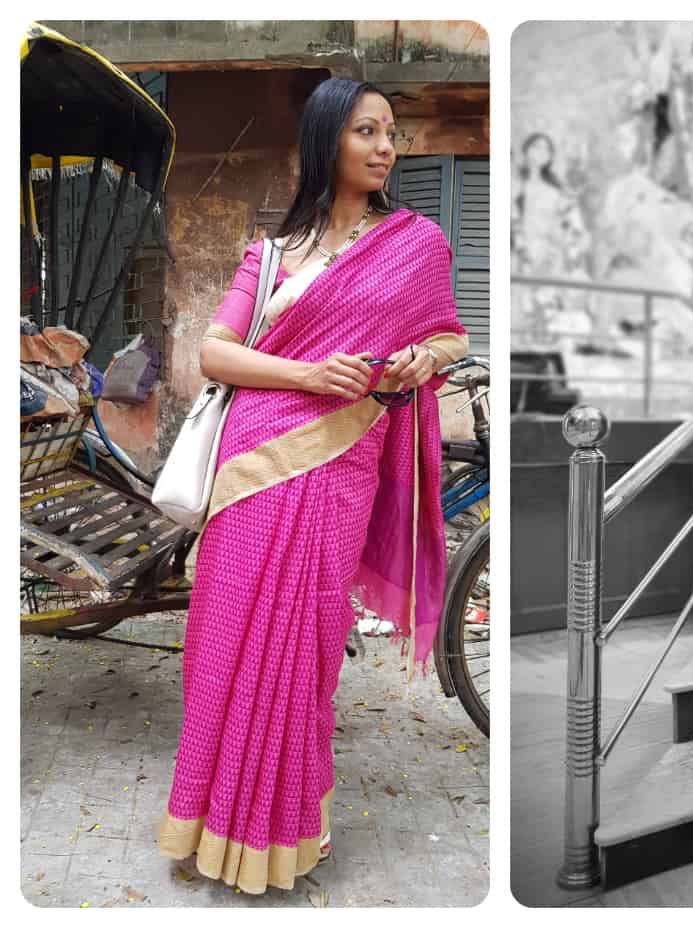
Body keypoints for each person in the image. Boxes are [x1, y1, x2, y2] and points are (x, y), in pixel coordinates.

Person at [155, 78, 468, 894]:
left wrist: (416, 361)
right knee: (224, 641)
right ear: (327, 140)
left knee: (307, 642)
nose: (386, 147)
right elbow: (216, 356)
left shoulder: (415, 243)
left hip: (338, 468)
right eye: (367, 131)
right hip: (251, 471)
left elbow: (448, 336)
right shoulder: (269, 257)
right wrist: (307, 372)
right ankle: (210, 823)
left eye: (391, 133)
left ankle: (290, 828)